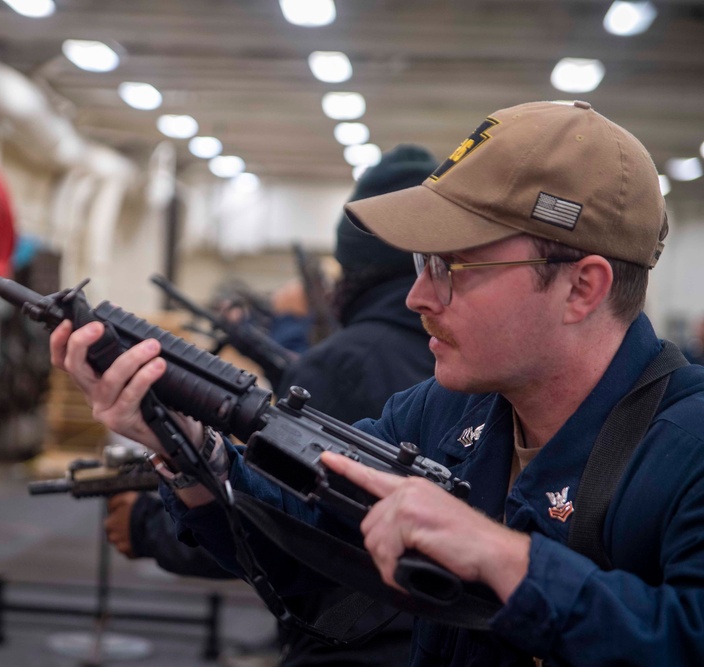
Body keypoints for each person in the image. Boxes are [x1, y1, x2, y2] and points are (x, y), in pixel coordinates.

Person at [51, 101, 704, 666]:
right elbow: (306, 539)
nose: (419, 294)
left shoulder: (688, 448)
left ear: (580, 287)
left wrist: (507, 558)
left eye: (453, 266)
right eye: (422, 263)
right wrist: (191, 447)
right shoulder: (438, 413)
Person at [103, 146, 440, 666]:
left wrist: (148, 529)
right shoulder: (461, 371)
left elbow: (294, 533)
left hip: (351, 641)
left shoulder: (343, 365)